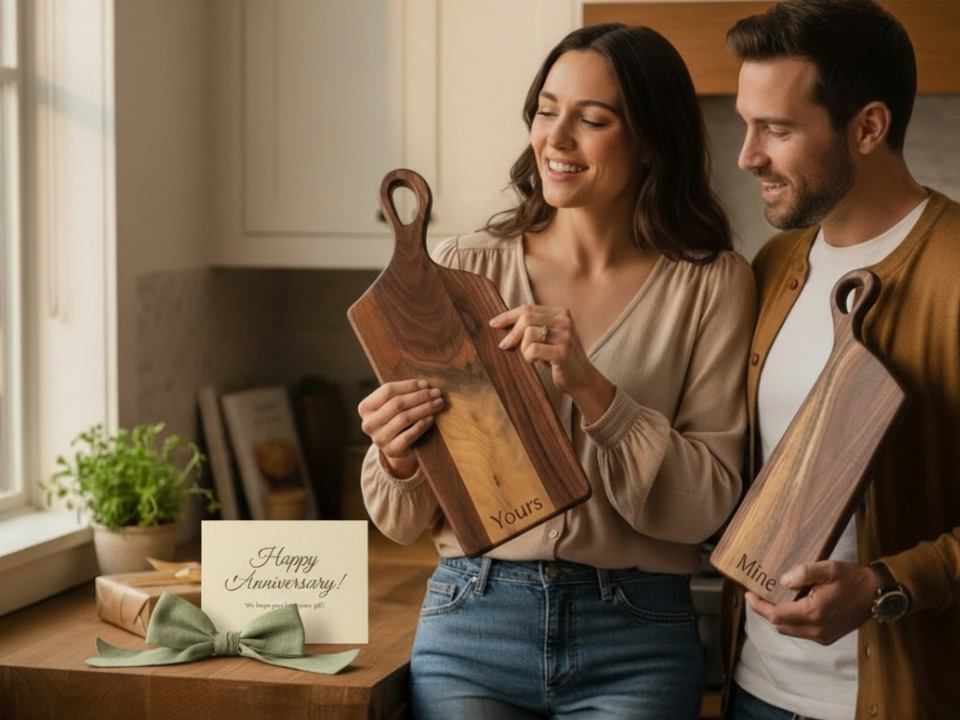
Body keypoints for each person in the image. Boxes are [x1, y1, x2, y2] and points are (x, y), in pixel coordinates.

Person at [359, 22, 755, 720]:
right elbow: (400, 520)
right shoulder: (463, 266)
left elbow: (712, 502)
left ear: (650, 142)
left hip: (638, 634)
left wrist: (594, 390)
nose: (556, 138)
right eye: (546, 110)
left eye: (592, 119)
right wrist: (395, 454)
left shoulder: (712, 285)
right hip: (473, 617)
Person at [719, 1, 960, 719]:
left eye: (778, 129)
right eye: (745, 122)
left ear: (868, 127)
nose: (748, 154)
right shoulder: (772, 265)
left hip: (903, 698)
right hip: (755, 690)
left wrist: (887, 585)